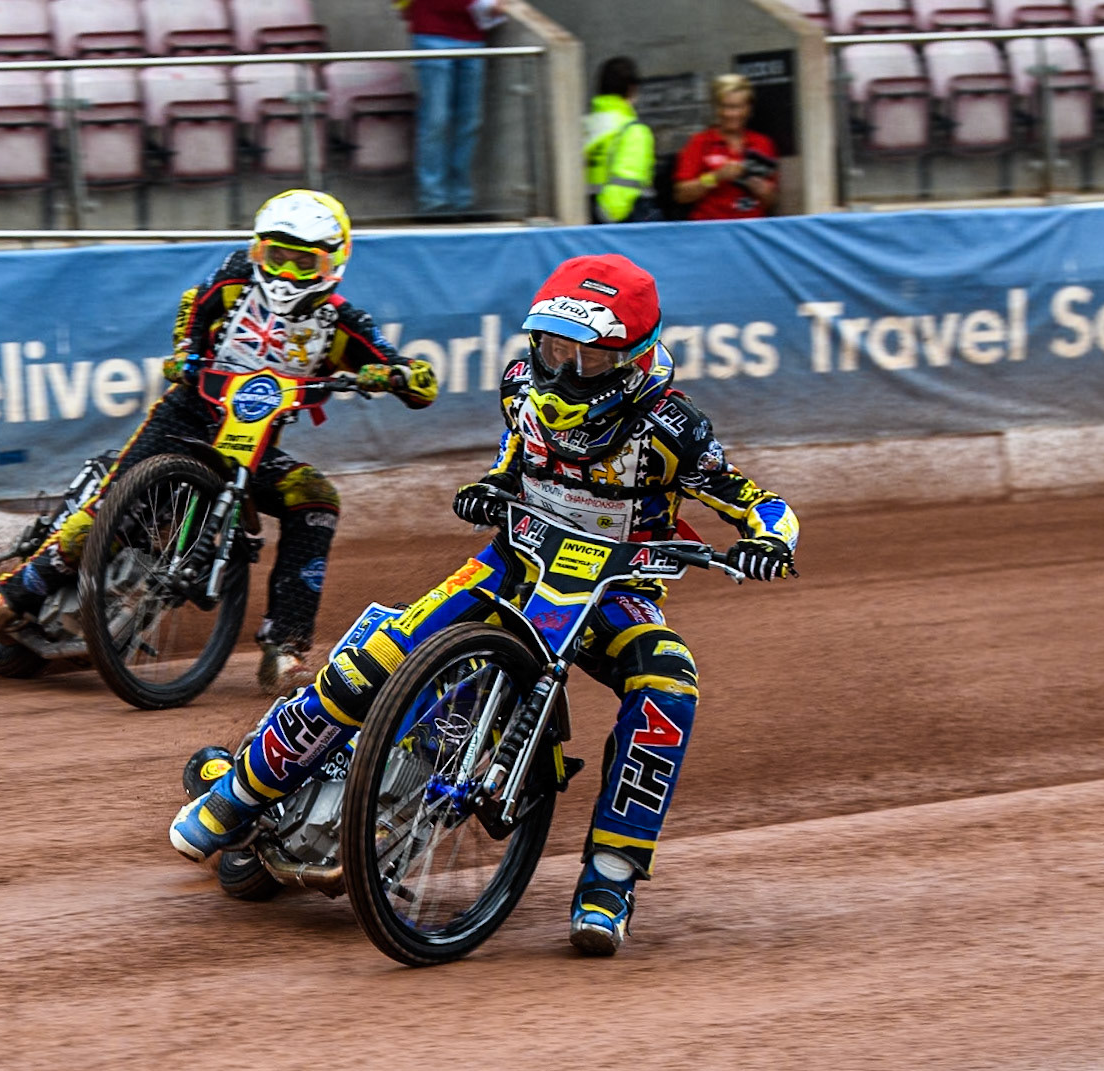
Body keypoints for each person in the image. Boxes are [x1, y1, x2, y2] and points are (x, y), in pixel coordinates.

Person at [170, 253, 799, 956]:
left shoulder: (670, 429)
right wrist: (490, 486)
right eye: (553, 348)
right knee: (376, 657)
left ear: (631, 360)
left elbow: (756, 500)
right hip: (510, 563)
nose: (561, 371)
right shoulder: (520, 387)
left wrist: (767, 540)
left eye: (585, 358)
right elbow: (513, 461)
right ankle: (238, 794)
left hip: (612, 592)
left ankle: (609, 879)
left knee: (668, 686)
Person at [0, 189, 439, 694]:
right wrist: (186, 353)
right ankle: (11, 597)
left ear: (332, 261)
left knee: (316, 498)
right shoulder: (234, 279)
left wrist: (402, 377)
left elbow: (397, 365)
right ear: (257, 251)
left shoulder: (340, 323)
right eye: (275, 257)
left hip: (251, 449)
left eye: (302, 263)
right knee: (111, 507)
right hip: (185, 416)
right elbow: (193, 306)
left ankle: (285, 649)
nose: (284, 274)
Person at [398, 0, 504, 216]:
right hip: (432, 31)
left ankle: (461, 200)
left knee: (469, 121)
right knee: (436, 119)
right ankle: (432, 200)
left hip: (472, 36)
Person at [672, 73, 779, 221]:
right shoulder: (699, 142)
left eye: (737, 107)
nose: (731, 114)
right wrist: (716, 177)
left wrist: (763, 191)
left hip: (751, 229)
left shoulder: (762, 143)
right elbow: (681, 195)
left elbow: (772, 202)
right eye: (725, 107)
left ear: (748, 108)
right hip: (711, 229)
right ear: (717, 109)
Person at [584, 56, 660, 224]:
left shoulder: (583, 127)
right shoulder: (633, 130)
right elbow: (626, 182)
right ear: (632, 89)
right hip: (624, 223)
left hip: (584, 220)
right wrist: (605, 219)